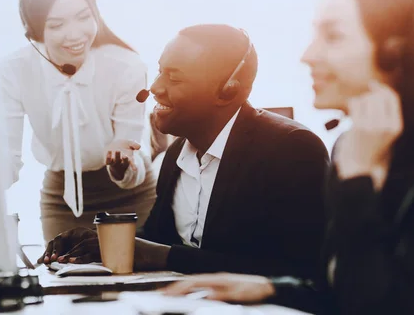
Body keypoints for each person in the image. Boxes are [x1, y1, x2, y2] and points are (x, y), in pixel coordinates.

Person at [161, 0, 414, 314]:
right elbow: (348, 288)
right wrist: (269, 288)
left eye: (333, 36)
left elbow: (383, 306)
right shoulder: (351, 144)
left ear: (394, 52)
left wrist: (358, 181)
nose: (308, 55)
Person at [38, 24, 330, 279]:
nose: (154, 88)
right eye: (160, 72)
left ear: (228, 90)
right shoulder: (178, 152)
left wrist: (160, 256)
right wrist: (95, 243)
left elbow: (298, 271)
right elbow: (157, 240)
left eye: (174, 78)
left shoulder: (292, 150)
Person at [0, 0, 156, 243]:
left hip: (130, 198)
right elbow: (7, 159)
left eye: (84, 17)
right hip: (62, 200)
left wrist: (122, 164)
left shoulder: (125, 66)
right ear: (34, 29)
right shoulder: (16, 69)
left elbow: (131, 150)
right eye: (56, 25)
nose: (75, 34)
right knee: (64, 280)